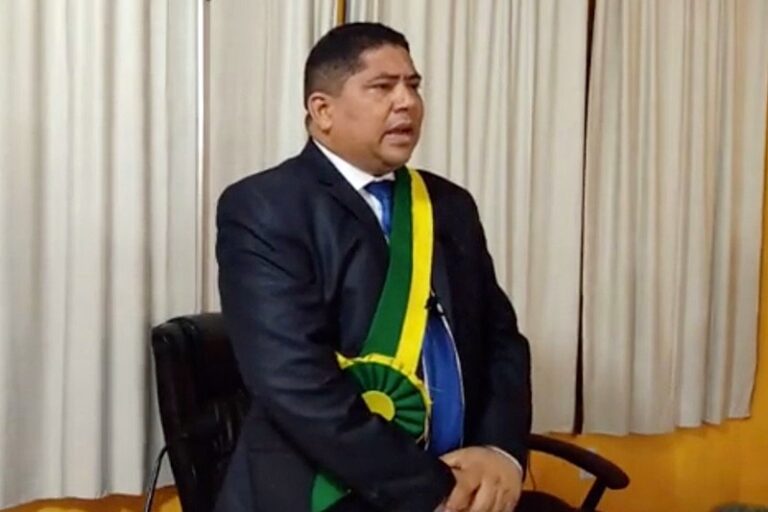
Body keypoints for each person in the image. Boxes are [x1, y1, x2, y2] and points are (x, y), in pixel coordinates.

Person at [215, 22, 531, 512]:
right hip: (327, 492)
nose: (407, 103)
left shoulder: (449, 205)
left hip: (463, 486)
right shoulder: (265, 207)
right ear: (323, 111)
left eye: (413, 85)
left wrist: (500, 453)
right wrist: (432, 489)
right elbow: (293, 381)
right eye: (383, 87)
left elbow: (501, 340)